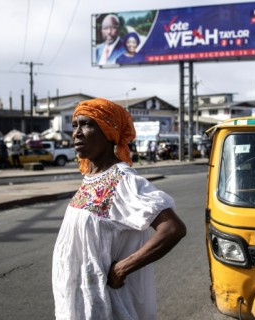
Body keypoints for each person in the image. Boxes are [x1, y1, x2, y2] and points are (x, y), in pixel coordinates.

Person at [52, 98, 186, 320]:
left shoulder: (122, 179)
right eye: (75, 125)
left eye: (87, 124)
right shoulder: (92, 177)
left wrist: (122, 269)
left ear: (109, 132)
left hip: (107, 307)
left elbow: (173, 228)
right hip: (80, 302)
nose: (76, 133)